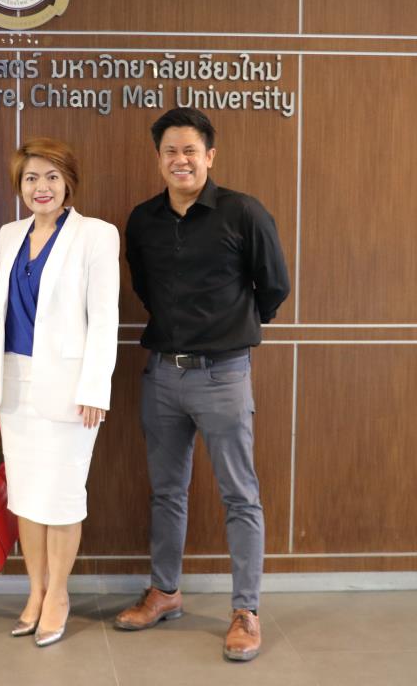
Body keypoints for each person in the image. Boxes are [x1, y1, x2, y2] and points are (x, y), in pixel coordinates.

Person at [115, 107, 289, 662]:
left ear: (209, 156)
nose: (180, 160)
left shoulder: (243, 212)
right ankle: (165, 591)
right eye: (170, 151)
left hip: (223, 374)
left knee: (240, 494)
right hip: (163, 375)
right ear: (159, 159)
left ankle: (246, 611)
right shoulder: (142, 220)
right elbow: (144, 287)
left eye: (190, 150)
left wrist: (229, 329)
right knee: (166, 491)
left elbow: (274, 286)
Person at [0, 137, 119, 648]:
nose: (41, 187)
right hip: (15, 385)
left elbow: (104, 319)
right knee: (26, 497)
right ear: (19, 186)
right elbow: (4, 318)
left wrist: (96, 388)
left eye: (51, 177)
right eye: (30, 178)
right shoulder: (10, 234)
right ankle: (35, 592)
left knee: (61, 498)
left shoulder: (96, 235)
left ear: (68, 183)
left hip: (70, 391)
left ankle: (59, 595)